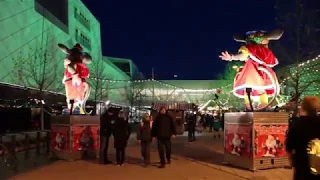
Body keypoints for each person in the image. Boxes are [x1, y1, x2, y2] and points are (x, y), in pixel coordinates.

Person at [286, 96, 320, 180]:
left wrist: (292, 162)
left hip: (302, 164)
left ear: (303, 107)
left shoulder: (296, 124)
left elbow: (289, 147)